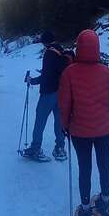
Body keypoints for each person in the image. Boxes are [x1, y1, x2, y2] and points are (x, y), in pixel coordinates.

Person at [58, 29, 109, 216]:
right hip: (105, 129)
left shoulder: (70, 72)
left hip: (80, 131)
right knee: (105, 165)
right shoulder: (106, 72)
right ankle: (104, 201)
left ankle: (85, 209)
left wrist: (64, 126)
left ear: (78, 47)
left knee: (85, 167)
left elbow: (64, 104)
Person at [23, 30, 69, 162]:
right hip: (61, 92)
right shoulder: (61, 51)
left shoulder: (49, 53)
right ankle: (60, 148)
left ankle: (35, 149)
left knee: (40, 120)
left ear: (45, 42)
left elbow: (47, 77)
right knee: (59, 121)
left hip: (48, 93)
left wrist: (32, 80)